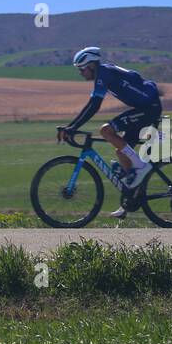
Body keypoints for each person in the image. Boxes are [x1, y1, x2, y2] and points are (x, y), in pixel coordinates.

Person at [59, 47, 162, 218]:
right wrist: (72, 126)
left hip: (148, 108)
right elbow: (92, 104)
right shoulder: (103, 73)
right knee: (121, 151)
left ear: (92, 65)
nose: (80, 73)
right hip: (144, 108)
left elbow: (94, 106)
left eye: (82, 68)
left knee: (106, 131)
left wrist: (73, 127)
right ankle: (129, 202)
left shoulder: (104, 73)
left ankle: (142, 167)